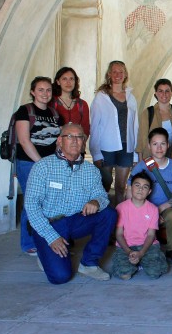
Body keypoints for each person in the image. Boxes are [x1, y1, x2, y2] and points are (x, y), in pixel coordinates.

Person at [24, 123, 117, 284]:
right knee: (60, 277)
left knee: (108, 214)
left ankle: (89, 263)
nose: (75, 141)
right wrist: (52, 237)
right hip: (49, 225)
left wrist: (95, 201)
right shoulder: (43, 167)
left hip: (76, 221)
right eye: (69, 136)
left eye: (79, 137)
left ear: (83, 142)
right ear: (59, 141)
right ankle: (44, 252)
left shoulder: (91, 170)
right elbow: (31, 206)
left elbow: (102, 196)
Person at [15, 76, 63, 255]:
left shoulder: (55, 114)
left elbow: (59, 141)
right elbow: (24, 141)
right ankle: (28, 243)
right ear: (33, 92)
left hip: (50, 164)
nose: (45, 93)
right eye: (41, 90)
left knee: (50, 202)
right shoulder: (24, 111)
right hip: (29, 163)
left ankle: (49, 240)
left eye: (48, 90)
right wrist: (42, 163)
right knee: (32, 201)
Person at [128, 128, 172, 264]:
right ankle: (139, 248)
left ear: (168, 145)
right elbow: (130, 191)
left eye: (163, 144)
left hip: (165, 209)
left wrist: (159, 210)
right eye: (155, 144)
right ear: (149, 146)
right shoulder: (141, 167)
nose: (159, 148)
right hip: (143, 209)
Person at [90, 60, 138, 205]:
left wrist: (135, 153)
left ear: (125, 75)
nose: (118, 75)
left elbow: (135, 125)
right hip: (106, 147)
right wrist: (95, 152)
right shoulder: (101, 96)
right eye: (114, 71)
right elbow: (95, 126)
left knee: (120, 187)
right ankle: (103, 219)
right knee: (103, 185)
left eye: (121, 72)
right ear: (109, 74)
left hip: (126, 147)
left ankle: (119, 220)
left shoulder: (130, 96)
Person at [113, 172, 168, 280]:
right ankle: (134, 263)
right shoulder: (121, 207)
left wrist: (141, 253)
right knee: (125, 275)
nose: (140, 189)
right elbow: (119, 234)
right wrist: (129, 252)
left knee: (154, 273)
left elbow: (151, 235)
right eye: (137, 185)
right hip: (126, 246)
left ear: (149, 192)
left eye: (145, 187)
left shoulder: (153, 209)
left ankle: (147, 259)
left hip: (147, 246)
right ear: (130, 188)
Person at [136, 78, 172, 160]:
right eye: (160, 91)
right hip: (152, 158)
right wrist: (140, 161)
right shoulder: (148, 113)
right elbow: (141, 139)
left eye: (167, 91)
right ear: (156, 93)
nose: (164, 94)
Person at [50, 67, 90, 137]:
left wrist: (80, 144)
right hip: (56, 145)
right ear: (58, 82)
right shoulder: (51, 103)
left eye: (71, 79)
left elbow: (85, 128)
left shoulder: (82, 104)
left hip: (76, 145)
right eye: (64, 79)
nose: (68, 82)